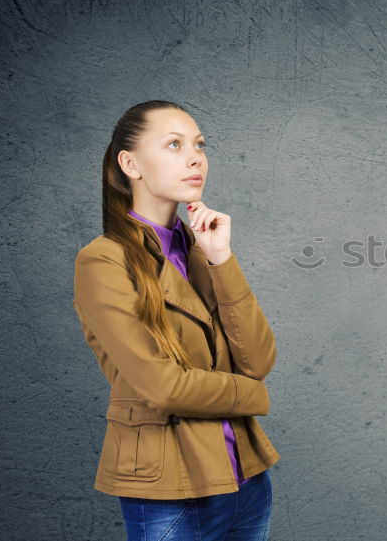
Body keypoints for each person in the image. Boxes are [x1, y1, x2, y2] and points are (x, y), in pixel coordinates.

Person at [72, 100, 280, 540]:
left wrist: (222, 258)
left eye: (199, 146)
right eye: (173, 144)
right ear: (130, 163)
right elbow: (164, 387)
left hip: (246, 477)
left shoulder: (200, 248)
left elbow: (258, 359)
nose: (195, 158)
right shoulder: (102, 261)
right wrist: (253, 396)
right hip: (170, 488)